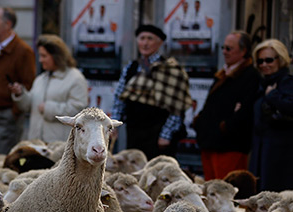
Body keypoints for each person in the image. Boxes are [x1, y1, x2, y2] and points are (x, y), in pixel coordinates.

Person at [111, 24, 192, 160]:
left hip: (158, 135)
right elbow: (119, 98)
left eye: (150, 39)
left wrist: (166, 135)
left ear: (159, 43)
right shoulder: (131, 67)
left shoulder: (171, 69)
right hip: (134, 132)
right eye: (142, 38)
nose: (145, 43)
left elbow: (177, 107)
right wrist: (113, 124)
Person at [193, 31, 259, 180]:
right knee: (211, 190)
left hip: (229, 146)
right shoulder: (223, 74)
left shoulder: (250, 76)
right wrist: (200, 122)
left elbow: (244, 112)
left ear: (243, 51)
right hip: (210, 143)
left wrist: (225, 127)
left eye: (229, 48)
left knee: (226, 191)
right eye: (223, 47)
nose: (224, 52)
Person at [9, 35, 88, 143]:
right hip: (36, 143)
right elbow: (29, 106)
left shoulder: (76, 79)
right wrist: (20, 94)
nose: (40, 60)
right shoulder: (41, 79)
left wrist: (49, 109)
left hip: (58, 145)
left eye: (44, 56)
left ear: (56, 56)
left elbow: (78, 111)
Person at [0, 7, 36, 154]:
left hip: (6, 116)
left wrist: (14, 112)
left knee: (2, 159)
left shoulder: (23, 51)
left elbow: (29, 84)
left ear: (8, 24)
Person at [248, 39, 293, 192]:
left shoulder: (286, 82)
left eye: (269, 60)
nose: (264, 64)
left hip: (280, 155)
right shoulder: (263, 84)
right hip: (262, 150)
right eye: (260, 61)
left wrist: (273, 96)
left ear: (280, 60)